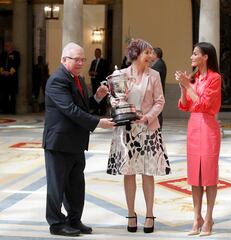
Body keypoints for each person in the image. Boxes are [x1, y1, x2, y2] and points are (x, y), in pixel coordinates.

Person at [42, 42, 114, 237]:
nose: (81, 63)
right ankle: (57, 223)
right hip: (58, 143)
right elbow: (70, 110)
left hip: (75, 143)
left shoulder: (79, 79)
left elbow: (82, 108)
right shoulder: (57, 80)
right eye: (77, 59)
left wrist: (97, 98)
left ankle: (74, 219)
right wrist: (99, 123)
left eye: (83, 59)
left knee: (76, 186)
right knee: (57, 187)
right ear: (64, 59)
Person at [106, 38, 170, 234]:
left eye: (151, 53)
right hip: (127, 129)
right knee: (129, 172)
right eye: (147, 53)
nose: (151, 57)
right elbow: (113, 95)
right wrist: (114, 101)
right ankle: (131, 213)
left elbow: (160, 101)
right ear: (136, 55)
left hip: (148, 129)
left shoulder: (155, 75)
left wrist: (148, 117)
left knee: (148, 172)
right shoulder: (121, 74)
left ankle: (150, 215)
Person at [175, 42, 221, 237]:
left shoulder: (215, 78)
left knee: (209, 176)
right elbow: (184, 105)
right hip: (193, 127)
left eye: (195, 54)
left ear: (205, 57)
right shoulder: (193, 78)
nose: (191, 57)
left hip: (209, 127)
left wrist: (188, 86)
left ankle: (209, 217)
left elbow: (204, 103)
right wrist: (182, 88)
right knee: (195, 176)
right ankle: (197, 217)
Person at [0, 41, 20, 114]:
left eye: (7, 45)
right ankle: (5, 110)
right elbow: (1, 63)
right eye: (5, 45)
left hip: (12, 78)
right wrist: (2, 71)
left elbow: (16, 64)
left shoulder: (16, 54)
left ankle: (12, 110)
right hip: (3, 77)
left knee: (12, 94)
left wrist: (9, 72)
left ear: (11, 46)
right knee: (4, 94)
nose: (6, 47)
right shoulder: (3, 54)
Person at [88, 48, 109, 115]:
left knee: (102, 96)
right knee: (95, 96)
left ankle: (102, 111)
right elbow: (90, 70)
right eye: (95, 53)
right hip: (94, 81)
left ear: (100, 53)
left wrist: (97, 73)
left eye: (97, 53)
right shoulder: (93, 62)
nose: (96, 54)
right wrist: (91, 73)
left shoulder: (104, 61)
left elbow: (106, 71)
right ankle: (96, 110)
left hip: (100, 81)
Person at [151, 47, 167, 129]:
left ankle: (158, 128)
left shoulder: (159, 64)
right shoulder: (158, 63)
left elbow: (152, 74)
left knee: (158, 111)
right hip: (156, 91)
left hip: (158, 92)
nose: (150, 56)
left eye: (151, 53)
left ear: (155, 55)